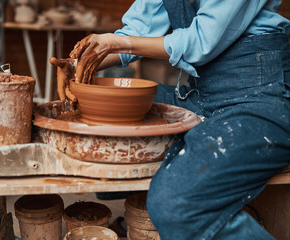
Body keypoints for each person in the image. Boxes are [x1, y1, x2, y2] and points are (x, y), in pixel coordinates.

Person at [51, 0, 290, 239]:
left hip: (261, 97)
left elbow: (201, 42)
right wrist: (79, 65)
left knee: (177, 205)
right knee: (104, 117)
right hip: (204, 94)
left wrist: (117, 42)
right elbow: (137, 30)